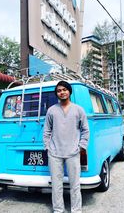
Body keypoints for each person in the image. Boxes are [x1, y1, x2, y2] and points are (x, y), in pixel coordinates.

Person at [43, 80, 90, 213]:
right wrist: (47, 147)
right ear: (56, 94)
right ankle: (58, 210)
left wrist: (81, 146)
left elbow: (86, 130)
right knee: (56, 185)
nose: (62, 92)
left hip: (73, 153)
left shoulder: (78, 110)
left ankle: (76, 210)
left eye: (64, 89)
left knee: (75, 185)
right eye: (59, 90)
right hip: (54, 153)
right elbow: (46, 131)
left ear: (69, 91)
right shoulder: (51, 110)